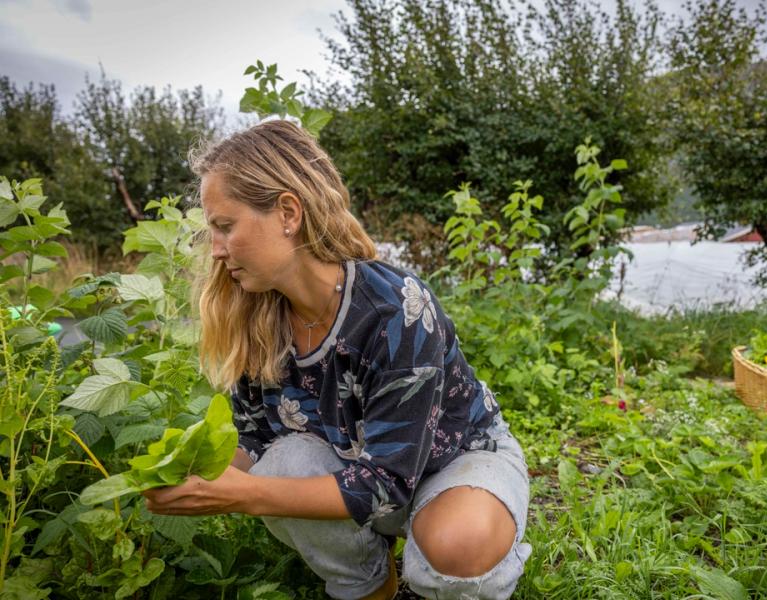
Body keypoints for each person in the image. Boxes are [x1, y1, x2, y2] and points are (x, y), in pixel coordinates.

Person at [142, 119, 532, 600]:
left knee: (458, 546)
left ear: (288, 212)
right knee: (280, 465)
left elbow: (385, 484)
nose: (216, 250)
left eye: (225, 226)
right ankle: (370, 586)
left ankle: (448, 559)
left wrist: (240, 494)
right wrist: (194, 480)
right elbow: (254, 442)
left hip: (449, 464)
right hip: (353, 476)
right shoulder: (255, 314)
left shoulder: (395, 309)